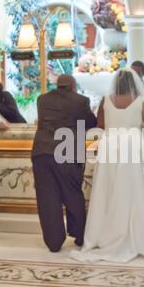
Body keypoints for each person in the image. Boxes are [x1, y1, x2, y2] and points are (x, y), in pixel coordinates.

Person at [70, 69, 144, 263]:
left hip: (110, 144)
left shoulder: (106, 100)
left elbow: (101, 124)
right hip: (132, 143)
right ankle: (137, 235)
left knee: (107, 189)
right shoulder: (141, 100)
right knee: (134, 189)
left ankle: (105, 234)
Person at [32, 75, 97, 253]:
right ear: (73, 86)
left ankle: (53, 242)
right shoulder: (80, 101)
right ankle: (79, 235)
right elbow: (91, 123)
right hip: (67, 150)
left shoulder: (42, 100)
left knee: (47, 198)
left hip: (42, 152)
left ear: (57, 85)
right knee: (72, 193)